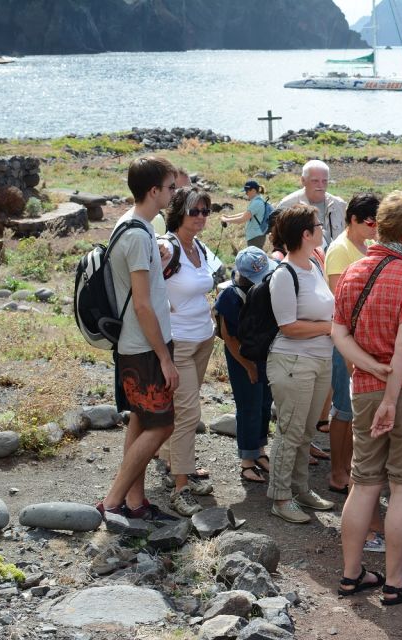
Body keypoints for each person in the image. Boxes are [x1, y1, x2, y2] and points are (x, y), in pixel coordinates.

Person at [331, 190, 402, 606]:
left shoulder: (354, 269)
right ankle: (395, 582)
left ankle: (351, 574)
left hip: (364, 388)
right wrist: (392, 393)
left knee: (363, 484)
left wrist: (369, 367)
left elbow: (339, 333)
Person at [97, 156, 179, 521]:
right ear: (153, 191)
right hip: (144, 346)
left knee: (141, 420)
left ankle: (134, 501)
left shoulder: (136, 226)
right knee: (162, 424)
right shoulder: (135, 234)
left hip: (140, 343)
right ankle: (113, 501)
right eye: (170, 187)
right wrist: (164, 357)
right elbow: (143, 306)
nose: (174, 194)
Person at [264, 204, 337, 524]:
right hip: (293, 360)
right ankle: (280, 496)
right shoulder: (285, 274)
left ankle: (301, 488)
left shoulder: (314, 266)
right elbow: (287, 326)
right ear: (306, 234)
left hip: (319, 360)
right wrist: (328, 328)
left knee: (307, 431)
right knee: (290, 431)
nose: (322, 229)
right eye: (318, 225)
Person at [157, 186, 217, 515]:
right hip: (178, 342)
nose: (200, 217)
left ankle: (179, 468)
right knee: (189, 414)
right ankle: (181, 487)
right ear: (179, 211)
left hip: (203, 339)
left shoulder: (201, 248)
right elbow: (143, 281)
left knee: (186, 410)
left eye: (206, 211)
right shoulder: (167, 247)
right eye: (194, 211)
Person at [324, 193, 380, 494]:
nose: (375, 228)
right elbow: (339, 300)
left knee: (355, 408)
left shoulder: (366, 245)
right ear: (354, 220)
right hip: (346, 339)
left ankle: (348, 467)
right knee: (344, 408)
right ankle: (337, 471)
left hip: (364, 337)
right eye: (370, 222)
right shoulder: (340, 250)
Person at [214, 247, 278, 484]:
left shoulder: (260, 289)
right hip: (241, 357)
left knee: (264, 402)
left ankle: (260, 450)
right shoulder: (230, 296)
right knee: (248, 405)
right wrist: (247, 365)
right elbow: (228, 337)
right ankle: (246, 461)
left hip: (262, 353)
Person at [277, 160, 347, 247]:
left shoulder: (339, 205)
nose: (320, 185)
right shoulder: (287, 205)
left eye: (324, 181)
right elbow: (278, 243)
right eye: (315, 181)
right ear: (303, 180)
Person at [221, 179, 271, 249]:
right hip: (256, 236)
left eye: (247, 191)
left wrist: (225, 219)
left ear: (253, 190)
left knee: (253, 259)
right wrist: (229, 217)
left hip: (255, 237)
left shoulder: (257, 203)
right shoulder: (258, 200)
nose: (246, 193)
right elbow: (246, 214)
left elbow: (242, 219)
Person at [151, 167, 190, 236]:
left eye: (189, 190)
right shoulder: (156, 219)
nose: (186, 195)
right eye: (179, 190)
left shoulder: (188, 217)